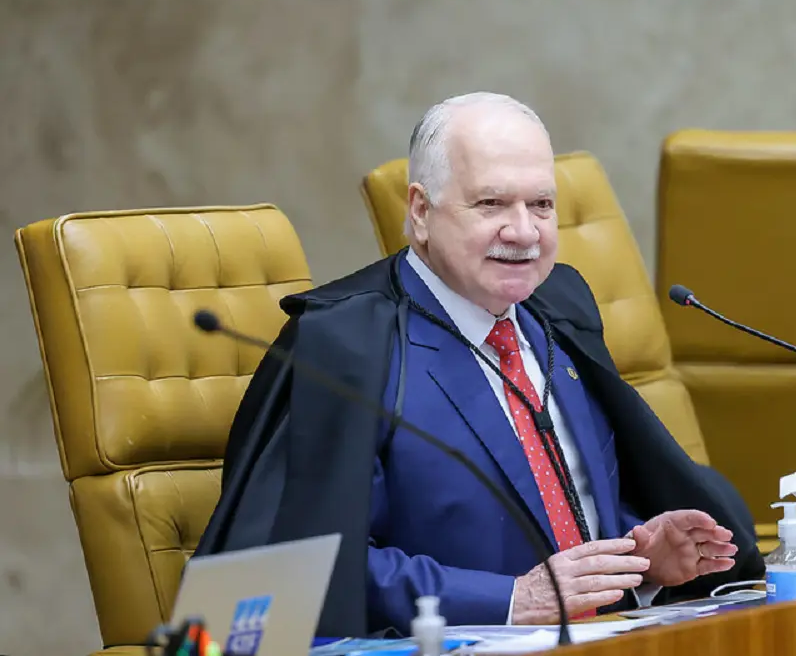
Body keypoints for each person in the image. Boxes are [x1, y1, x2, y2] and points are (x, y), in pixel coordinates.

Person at [194, 92, 765, 639]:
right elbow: (298, 570)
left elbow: (560, 503)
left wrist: (639, 560)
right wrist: (509, 600)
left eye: (541, 205)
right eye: (491, 204)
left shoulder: (558, 310)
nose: (524, 232)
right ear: (421, 211)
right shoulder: (344, 344)